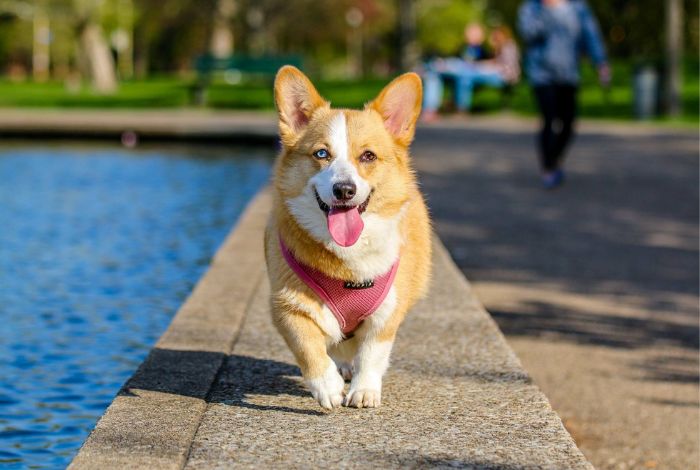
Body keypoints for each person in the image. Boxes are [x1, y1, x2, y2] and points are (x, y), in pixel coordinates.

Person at [518, 0, 610, 189]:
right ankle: (548, 167)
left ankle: (555, 157)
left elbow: (590, 35)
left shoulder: (578, 7)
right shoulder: (532, 7)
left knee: (568, 123)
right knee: (549, 118)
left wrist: (600, 62)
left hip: (569, 74)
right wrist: (547, 11)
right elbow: (528, 33)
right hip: (542, 74)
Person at [422, 25, 520, 121]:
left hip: (503, 76)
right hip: (467, 72)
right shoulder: (464, 47)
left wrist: (483, 65)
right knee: (433, 75)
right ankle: (431, 109)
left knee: (465, 75)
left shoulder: (505, 46)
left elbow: (503, 67)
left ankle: (460, 108)